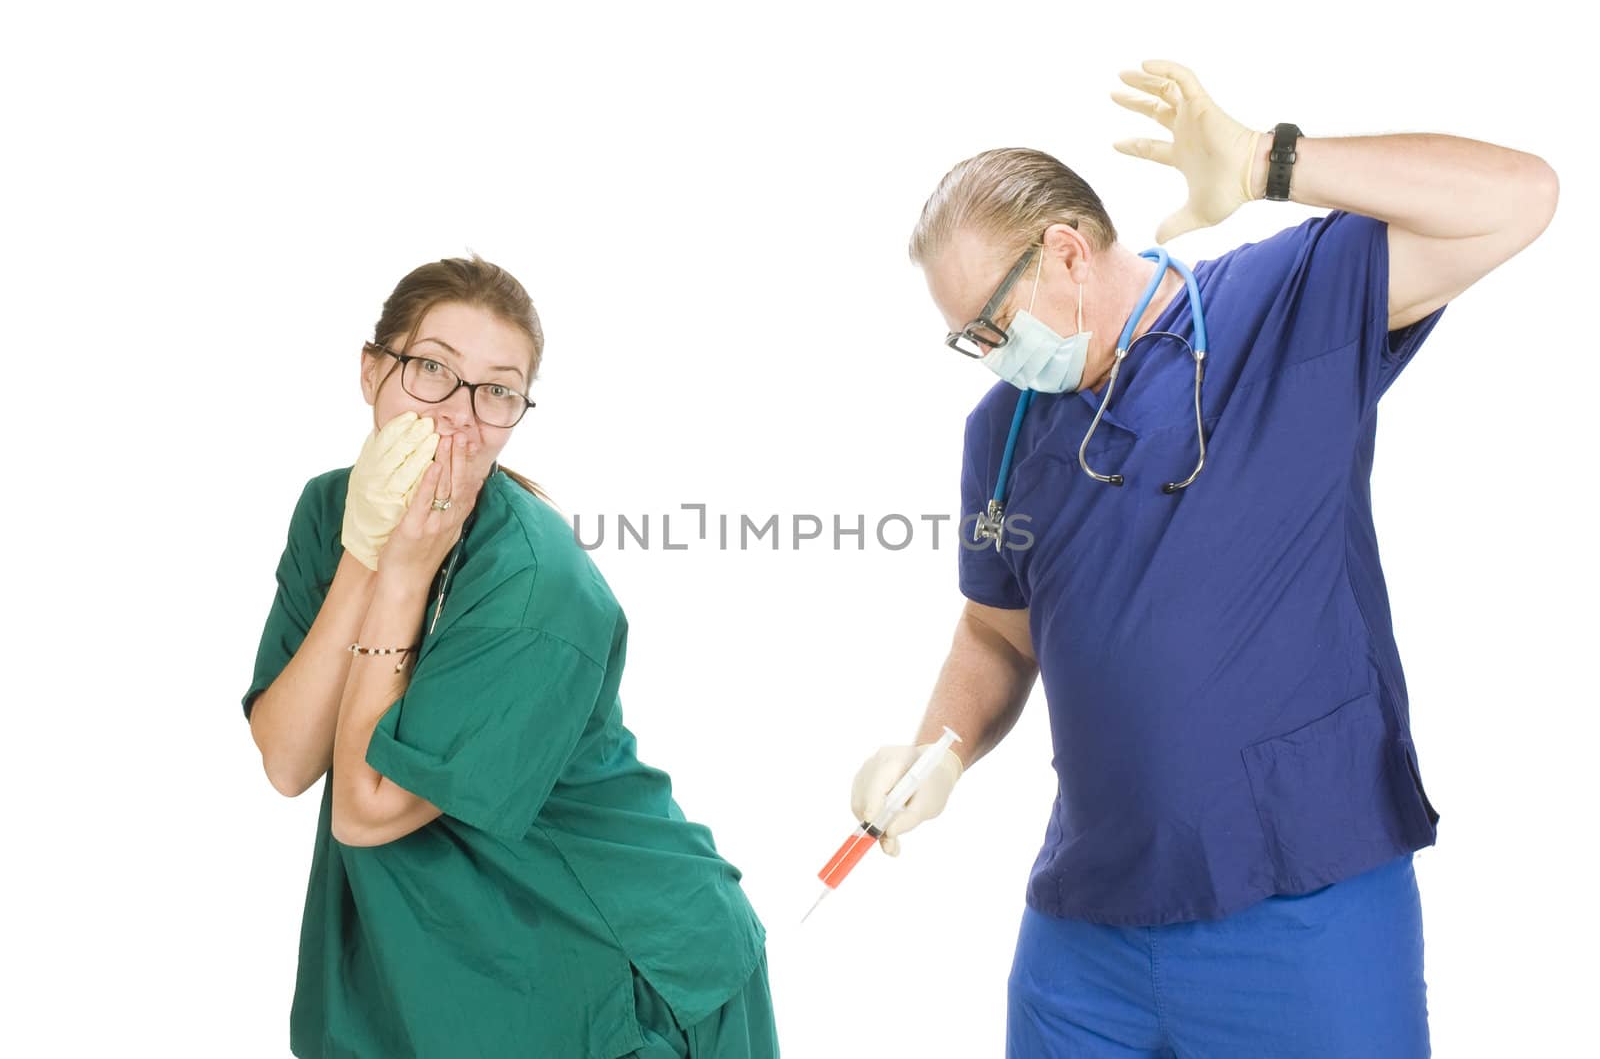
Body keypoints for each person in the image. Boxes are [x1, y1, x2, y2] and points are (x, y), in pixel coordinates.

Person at [848, 61, 1557, 1057]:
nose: (992, 354)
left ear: (1063, 252)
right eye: (970, 339)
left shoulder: (1272, 308)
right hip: (1087, 926)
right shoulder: (1000, 432)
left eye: (992, 325)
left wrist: (1273, 161)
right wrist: (942, 746)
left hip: (1300, 899)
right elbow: (996, 633)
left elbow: (1517, 200)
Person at [241, 255, 780, 1058]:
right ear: (370, 371)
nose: (459, 414)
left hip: (615, 967)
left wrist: (402, 572)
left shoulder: (537, 588)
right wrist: (364, 553)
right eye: (431, 369)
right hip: (445, 958)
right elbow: (287, 759)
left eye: (495, 390)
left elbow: (367, 809)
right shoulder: (334, 510)